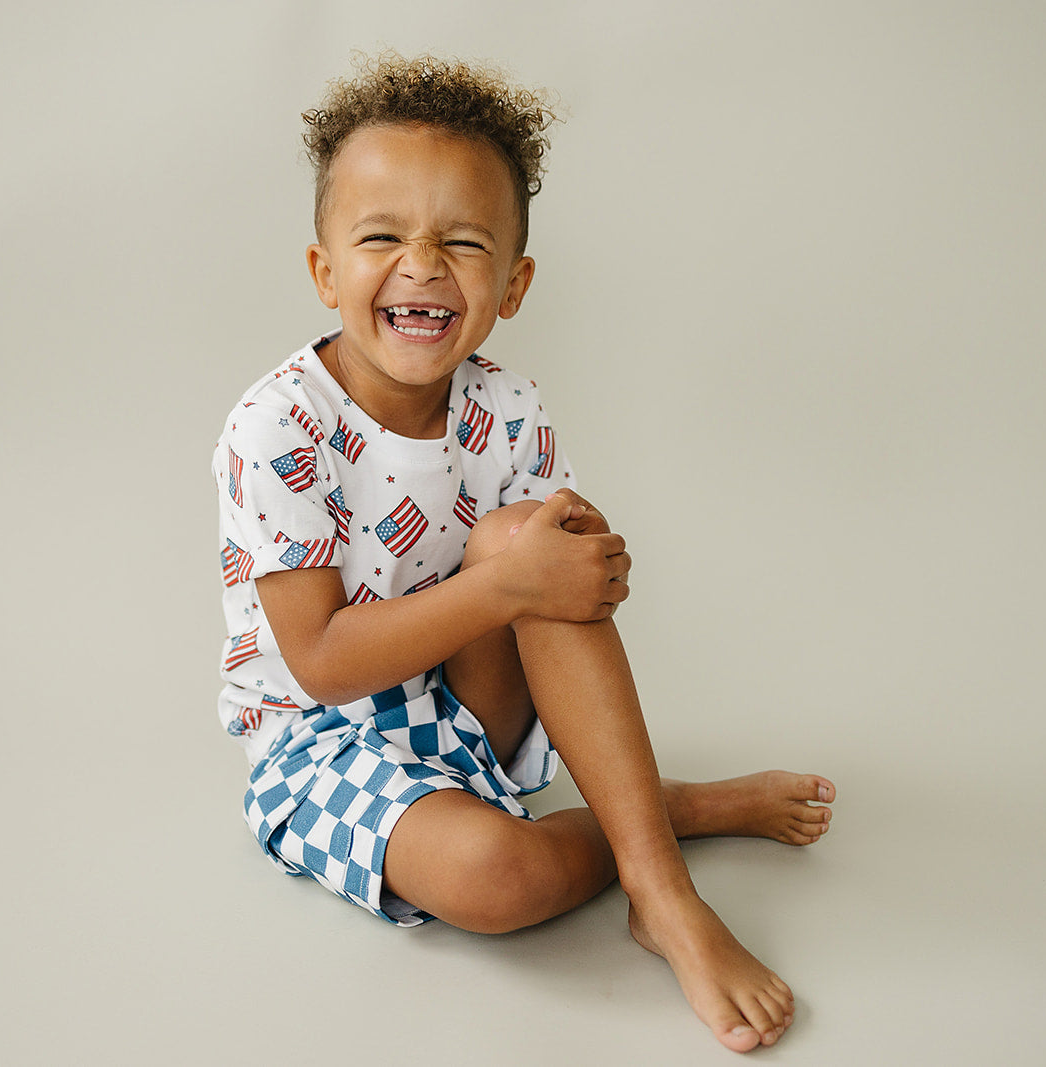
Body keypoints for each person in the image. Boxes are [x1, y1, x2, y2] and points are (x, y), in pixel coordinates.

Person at [211, 53, 835, 1053]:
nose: (422, 264)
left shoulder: (505, 405)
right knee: (498, 878)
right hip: (318, 736)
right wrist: (510, 583)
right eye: (382, 237)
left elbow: (550, 588)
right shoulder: (278, 427)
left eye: (462, 241)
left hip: (469, 700)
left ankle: (660, 889)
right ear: (325, 270)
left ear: (513, 283)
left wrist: (580, 568)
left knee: (531, 537)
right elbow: (319, 661)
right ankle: (674, 808)